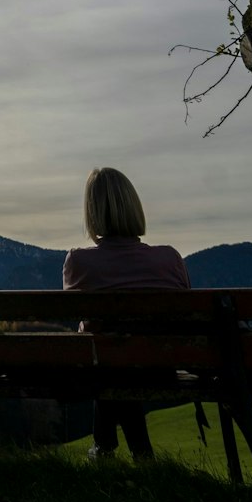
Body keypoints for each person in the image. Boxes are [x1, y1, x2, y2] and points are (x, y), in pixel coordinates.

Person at [61, 166, 189, 461]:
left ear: (91, 213)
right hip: (161, 369)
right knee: (122, 356)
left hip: (108, 369)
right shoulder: (169, 258)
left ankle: (106, 448)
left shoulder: (78, 262)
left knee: (112, 357)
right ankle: (137, 454)